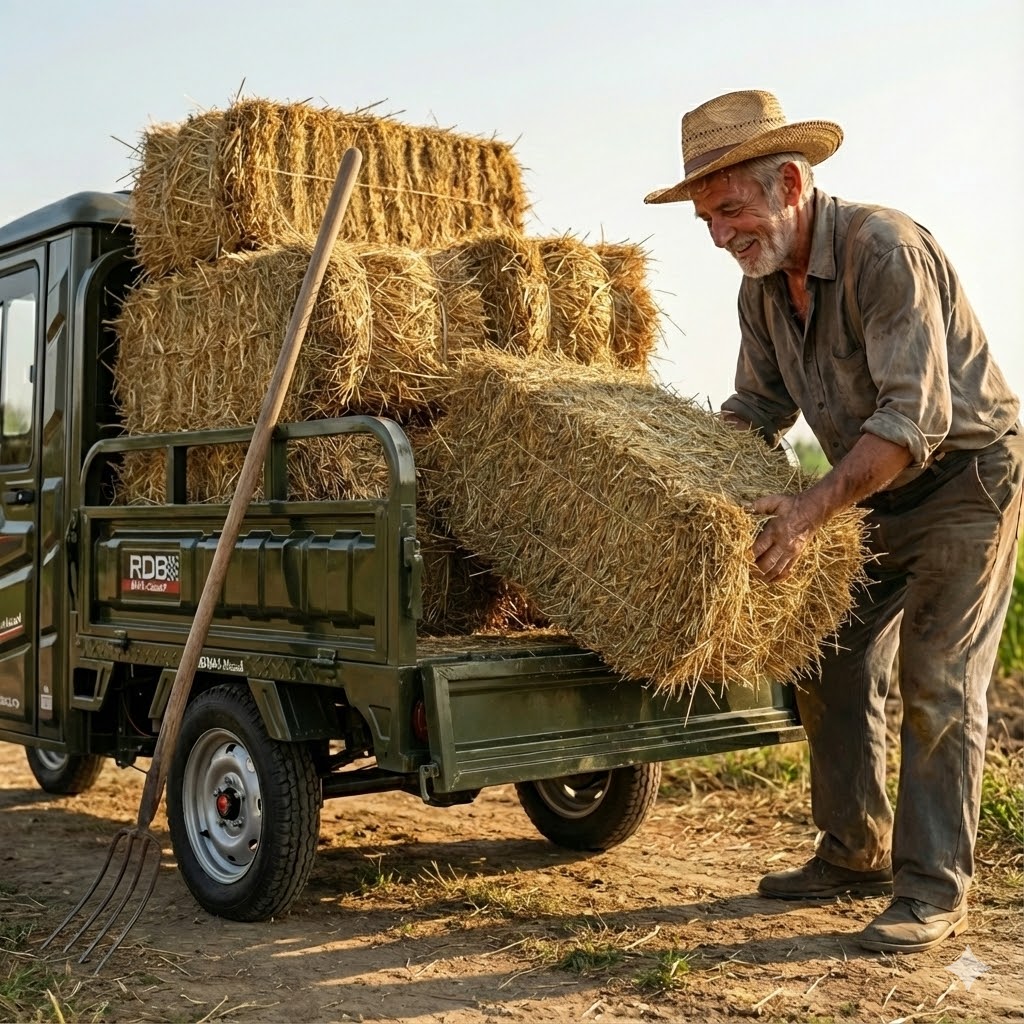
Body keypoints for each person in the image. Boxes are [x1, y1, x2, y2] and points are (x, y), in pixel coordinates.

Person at [644, 89, 1023, 954]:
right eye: (705, 218)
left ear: (788, 182)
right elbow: (757, 406)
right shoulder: (762, 289)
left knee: (937, 678)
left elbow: (910, 422)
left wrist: (810, 510)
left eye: (729, 210)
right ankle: (854, 850)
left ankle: (932, 888)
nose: (718, 235)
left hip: (965, 480)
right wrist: (671, 471)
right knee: (832, 656)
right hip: (870, 492)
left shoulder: (884, 250)